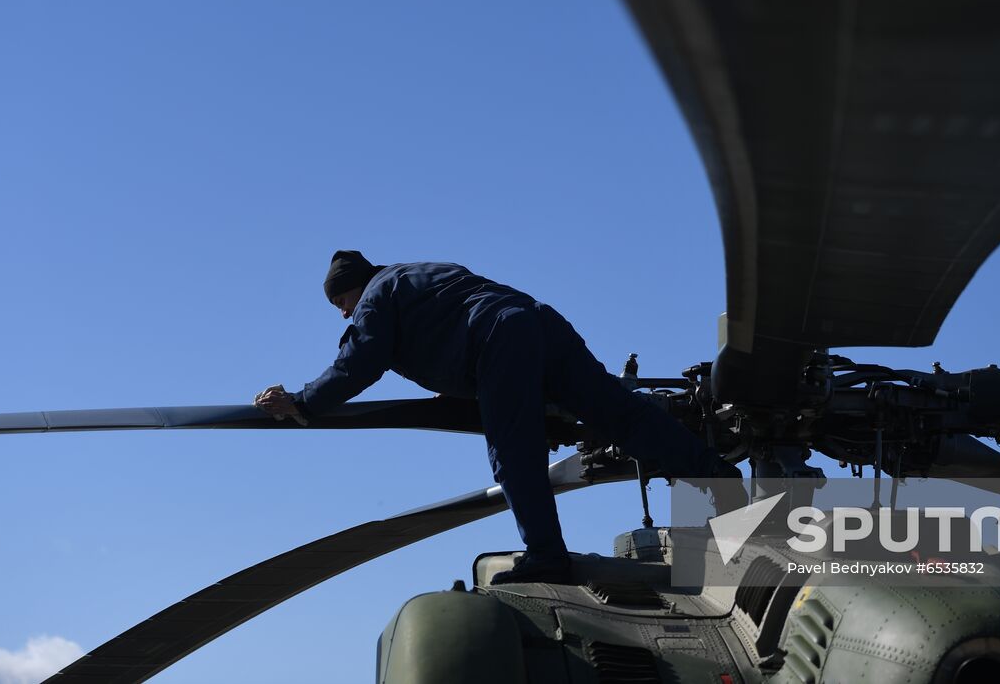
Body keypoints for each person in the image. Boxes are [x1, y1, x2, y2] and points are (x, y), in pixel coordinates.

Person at [255, 250, 740, 584]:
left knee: (514, 454)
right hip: (540, 323)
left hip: (500, 340)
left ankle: (547, 556)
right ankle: (718, 480)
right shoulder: (421, 275)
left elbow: (360, 360)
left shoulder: (378, 296)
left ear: (353, 289)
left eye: (341, 303)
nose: (343, 314)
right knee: (623, 416)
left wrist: (304, 401)